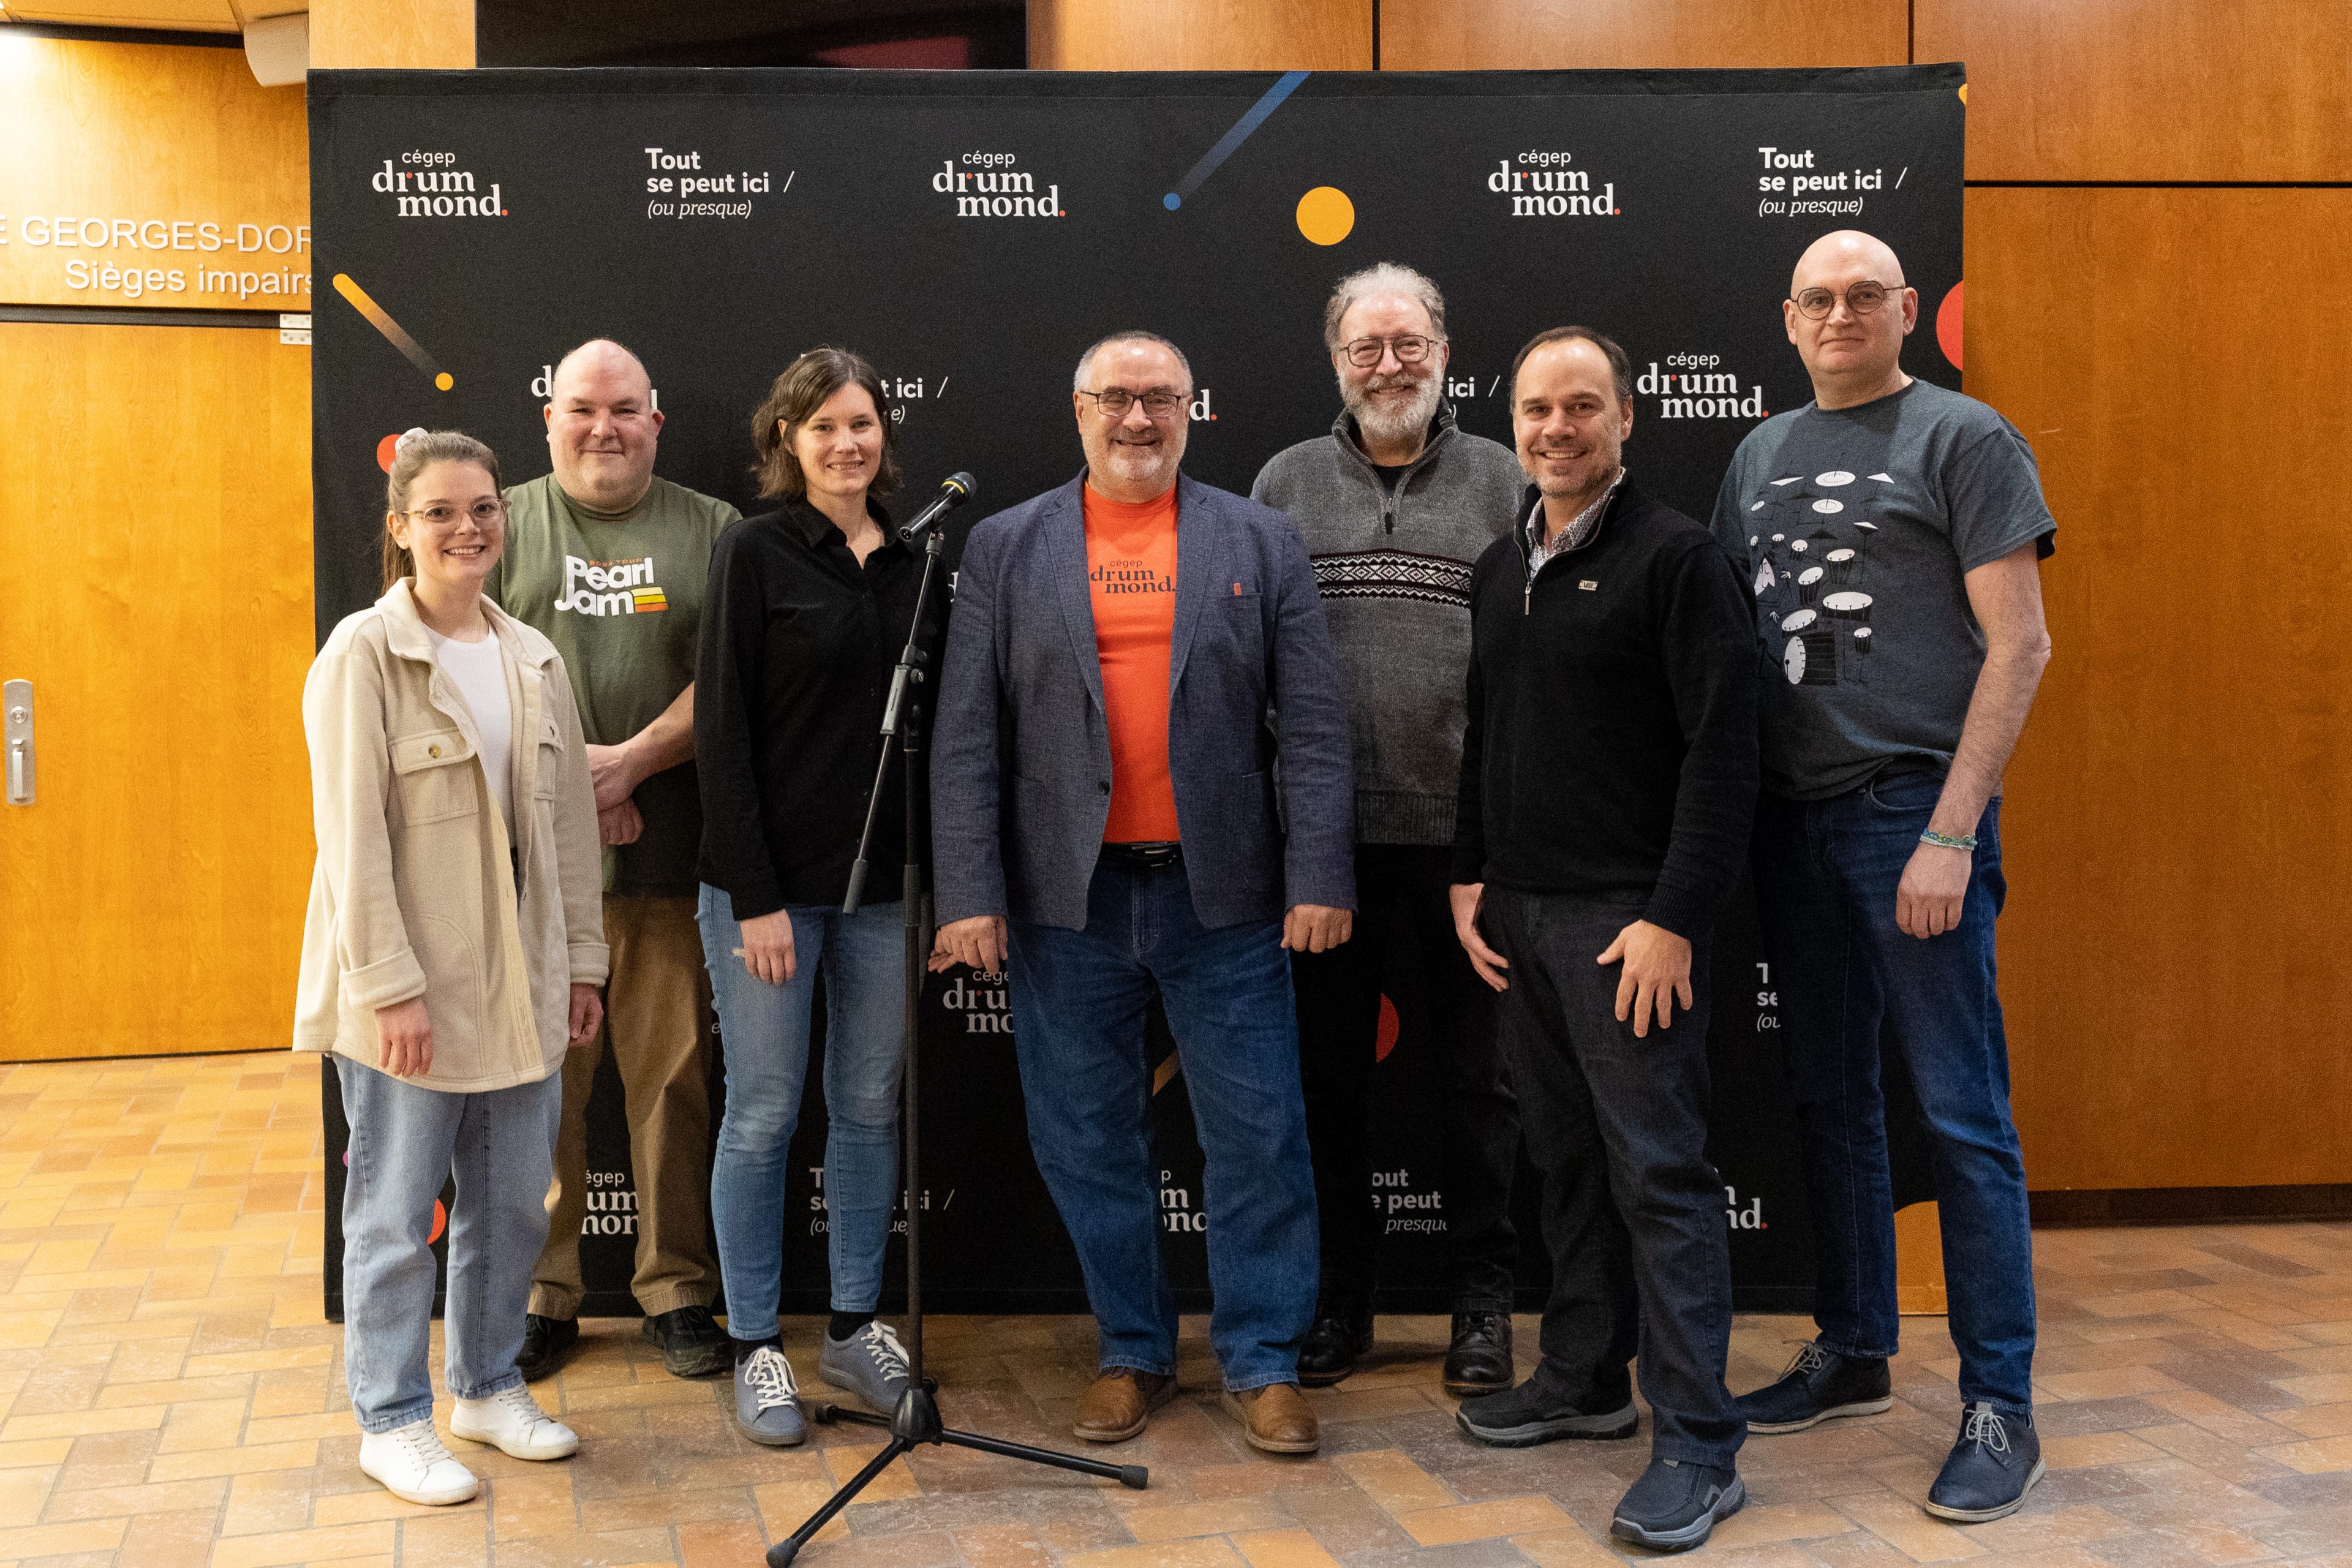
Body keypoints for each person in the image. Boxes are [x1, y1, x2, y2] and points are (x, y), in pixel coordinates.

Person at [930, 331, 1355, 1455]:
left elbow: (1315, 725)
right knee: (1085, 1139)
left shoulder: (1259, 538)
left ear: (1190, 410)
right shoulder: (1007, 544)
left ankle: (1264, 1361)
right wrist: (968, 891)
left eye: (1162, 398)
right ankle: (1132, 1349)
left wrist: (1318, 872)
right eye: (1116, 397)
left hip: (1228, 897)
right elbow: (966, 736)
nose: (1138, 418)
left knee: (1260, 1137)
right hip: (1063, 900)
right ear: (1079, 410)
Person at [1714, 230, 2056, 1525]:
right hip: (1789, 822)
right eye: (1819, 297)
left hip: (1912, 812)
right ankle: (1856, 1345)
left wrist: (1952, 833)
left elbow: (2020, 646)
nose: (1841, 312)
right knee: (1828, 1097)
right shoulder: (1757, 454)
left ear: (1909, 310)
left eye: (1866, 294)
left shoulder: (1966, 437)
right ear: (1788, 319)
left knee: (1961, 1114)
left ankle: (2000, 1403)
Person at [1449, 329, 1757, 1551]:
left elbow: (1725, 754)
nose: (1558, 429)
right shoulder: (1500, 564)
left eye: (1584, 406)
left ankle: (1699, 1443)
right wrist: (1470, 873)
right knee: (1566, 1161)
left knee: (1661, 1180)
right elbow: (1484, 729)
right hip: (1521, 916)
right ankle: (1583, 1377)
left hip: (1629, 923)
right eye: (1538, 409)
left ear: (1627, 417)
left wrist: (1674, 917)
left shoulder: (1679, 560)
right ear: (1513, 423)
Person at [296, 429, 606, 1506]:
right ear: (400, 528)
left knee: (514, 1207)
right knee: (393, 1220)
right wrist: (388, 987)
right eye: (439, 512)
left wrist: (581, 964)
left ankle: (485, 1386)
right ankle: (391, 1419)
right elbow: (350, 842)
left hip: (519, 991)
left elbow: (568, 833)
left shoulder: (535, 658)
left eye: (483, 508)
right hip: (410, 998)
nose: (466, 528)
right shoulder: (361, 656)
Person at [1251, 262, 1525, 1395]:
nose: (1389, 365)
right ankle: (1340, 1302)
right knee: (1329, 1087)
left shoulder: (1508, 479)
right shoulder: (1283, 484)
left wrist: (1497, 833)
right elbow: (1254, 669)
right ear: (1336, 362)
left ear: (1445, 352)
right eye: (1365, 347)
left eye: (1409, 343)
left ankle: (1484, 1305)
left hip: (1471, 845)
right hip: (1324, 846)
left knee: (1481, 1087)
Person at [695, 348, 943, 1445]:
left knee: (868, 1106)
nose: (847, 444)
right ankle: (755, 1340)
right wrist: (753, 896)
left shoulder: (921, 562)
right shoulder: (753, 551)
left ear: (886, 435)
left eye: (863, 424)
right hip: (769, 894)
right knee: (761, 1112)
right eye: (824, 427)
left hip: (883, 892)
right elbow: (722, 731)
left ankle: (851, 1326)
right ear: (787, 442)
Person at [491, 339, 739, 1382]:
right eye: (583, 409)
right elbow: (462, 669)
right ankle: (538, 1293)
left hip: (670, 869)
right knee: (535, 1096)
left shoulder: (714, 529)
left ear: (655, 421)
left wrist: (630, 765)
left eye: (626, 409)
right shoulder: (498, 521)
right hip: (528, 883)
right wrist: (574, 791)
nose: (605, 428)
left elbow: (732, 679)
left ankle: (675, 1288)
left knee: (673, 1088)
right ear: (549, 417)